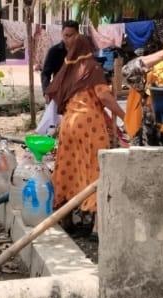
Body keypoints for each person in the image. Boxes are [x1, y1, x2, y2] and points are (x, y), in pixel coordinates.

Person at [45, 35, 125, 234]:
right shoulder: (93, 68)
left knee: (68, 167)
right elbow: (104, 96)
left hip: (68, 124)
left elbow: (53, 94)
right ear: (90, 48)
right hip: (89, 125)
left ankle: (66, 218)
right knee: (94, 169)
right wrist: (124, 116)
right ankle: (97, 227)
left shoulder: (68, 70)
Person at [42, 20, 80, 98]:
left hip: (78, 93)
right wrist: (46, 91)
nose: (68, 38)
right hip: (58, 92)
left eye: (71, 35)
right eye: (66, 35)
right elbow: (46, 73)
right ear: (61, 34)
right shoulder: (53, 51)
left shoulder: (82, 51)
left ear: (77, 35)